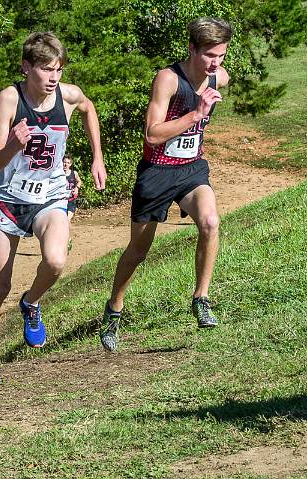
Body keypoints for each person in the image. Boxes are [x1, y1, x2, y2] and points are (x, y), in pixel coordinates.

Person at [0, 31, 107, 388]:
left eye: (59, 70)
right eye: (46, 69)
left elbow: (88, 107)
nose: (53, 77)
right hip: (9, 201)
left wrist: (97, 157)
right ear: (26, 67)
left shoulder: (67, 96)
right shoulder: (10, 98)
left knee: (56, 261)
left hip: (50, 197)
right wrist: (12, 147)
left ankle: (31, 303)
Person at [101, 17, 231, 352]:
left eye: (221, 54)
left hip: (191, 170)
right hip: (157, 173)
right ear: (192, 48)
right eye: (209, 55)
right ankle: (114, 309)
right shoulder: (169, 79)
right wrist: (196, 114)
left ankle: (201, 299)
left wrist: (206, 100)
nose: (215, 63)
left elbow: (222, 78)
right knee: (138, 251)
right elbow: (152, 134)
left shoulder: (220, 76)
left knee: (210, 222)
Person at [63, 153, 83, 221]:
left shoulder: (74, 173)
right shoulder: (58, 173)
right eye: (64, 162)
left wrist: (77, 188)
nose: (65, 164)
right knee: (62, 220)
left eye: (68, 163)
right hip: (60, 200)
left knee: (67, 219)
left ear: (70, 164)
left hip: (71, 200)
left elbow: (79, 181)